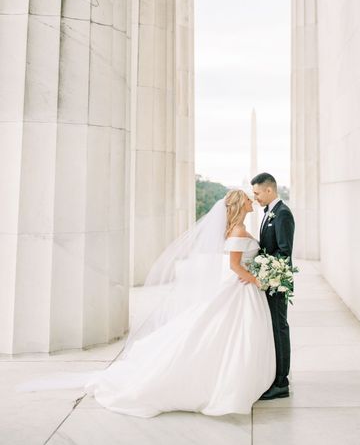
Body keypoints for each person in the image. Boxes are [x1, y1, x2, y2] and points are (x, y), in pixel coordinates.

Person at [16, 190, 276, 417]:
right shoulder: (238, 230)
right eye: (248, 199)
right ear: (240, 205)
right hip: (239, 287)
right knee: (224, 333)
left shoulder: (234, 229)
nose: (252, 202)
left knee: (223, 332)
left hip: (236, 288)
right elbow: (234, 265)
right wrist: (257, 280)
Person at [251, 172, 295, 401]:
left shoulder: (283, 214)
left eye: (257, 193)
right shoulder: (269, 212)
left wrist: (266, 272)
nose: (255, 197)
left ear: (269, 190)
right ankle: (276, 374)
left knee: (279, 329)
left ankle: (281, 383)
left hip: (277, 282)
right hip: (268, 281)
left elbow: (284, 252)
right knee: (274, 328)